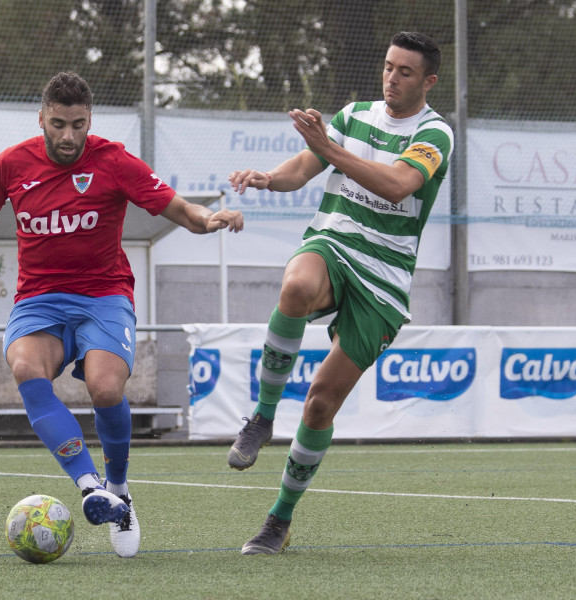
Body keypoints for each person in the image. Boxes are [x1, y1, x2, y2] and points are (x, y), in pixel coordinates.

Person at [0, 71, 244, 559]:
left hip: (104, 296)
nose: (68, 136)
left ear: (89, 119)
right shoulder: (11, 165)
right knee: (25, 367)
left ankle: (118, 490)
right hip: (39, 300)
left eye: (78, 124)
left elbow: (177, 208)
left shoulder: (115, 161)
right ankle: (87, 485)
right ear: (42, 118)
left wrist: (211, 219)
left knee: (104, 387)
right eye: (58, 124)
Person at [226, 31, 453, 555]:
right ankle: (261, 417)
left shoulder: (436, 133)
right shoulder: (354, 115)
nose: (392, 78)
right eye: (389, 66)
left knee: (320, 406)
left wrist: (326, 145)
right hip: (335, 241)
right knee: (297, 283)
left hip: (385, 279)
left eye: (406, 72)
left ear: (429, 81)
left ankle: (278, 522)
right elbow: (304, 169)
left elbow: (397, 184)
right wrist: (267, 178)